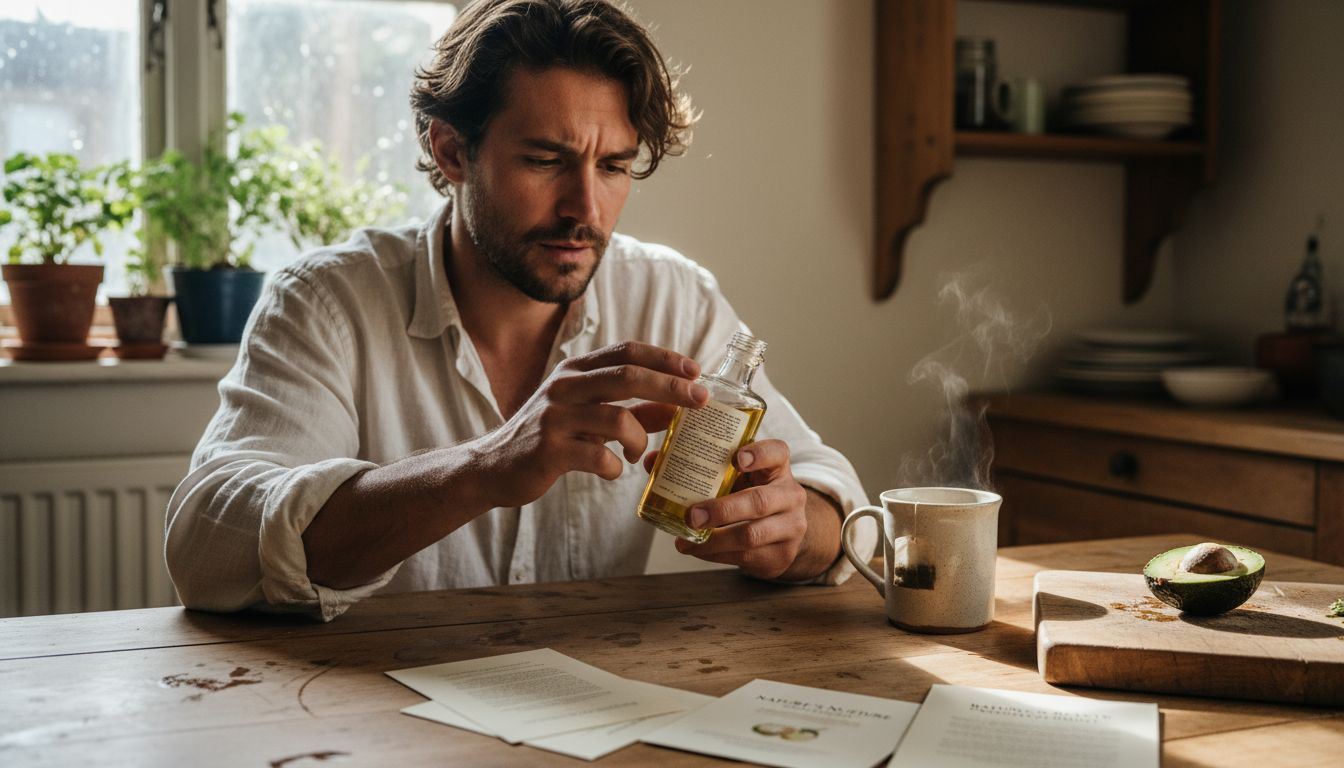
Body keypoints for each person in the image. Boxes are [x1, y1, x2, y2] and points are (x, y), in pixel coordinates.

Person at [165, 0, 874, 621]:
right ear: (451, 151)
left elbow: (840, 505)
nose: (586, 211)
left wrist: (793, 526)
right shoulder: (327, 302)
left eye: (615, 167)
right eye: (545, 160)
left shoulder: (672, 299)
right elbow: (206, 549)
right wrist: (483, 467)